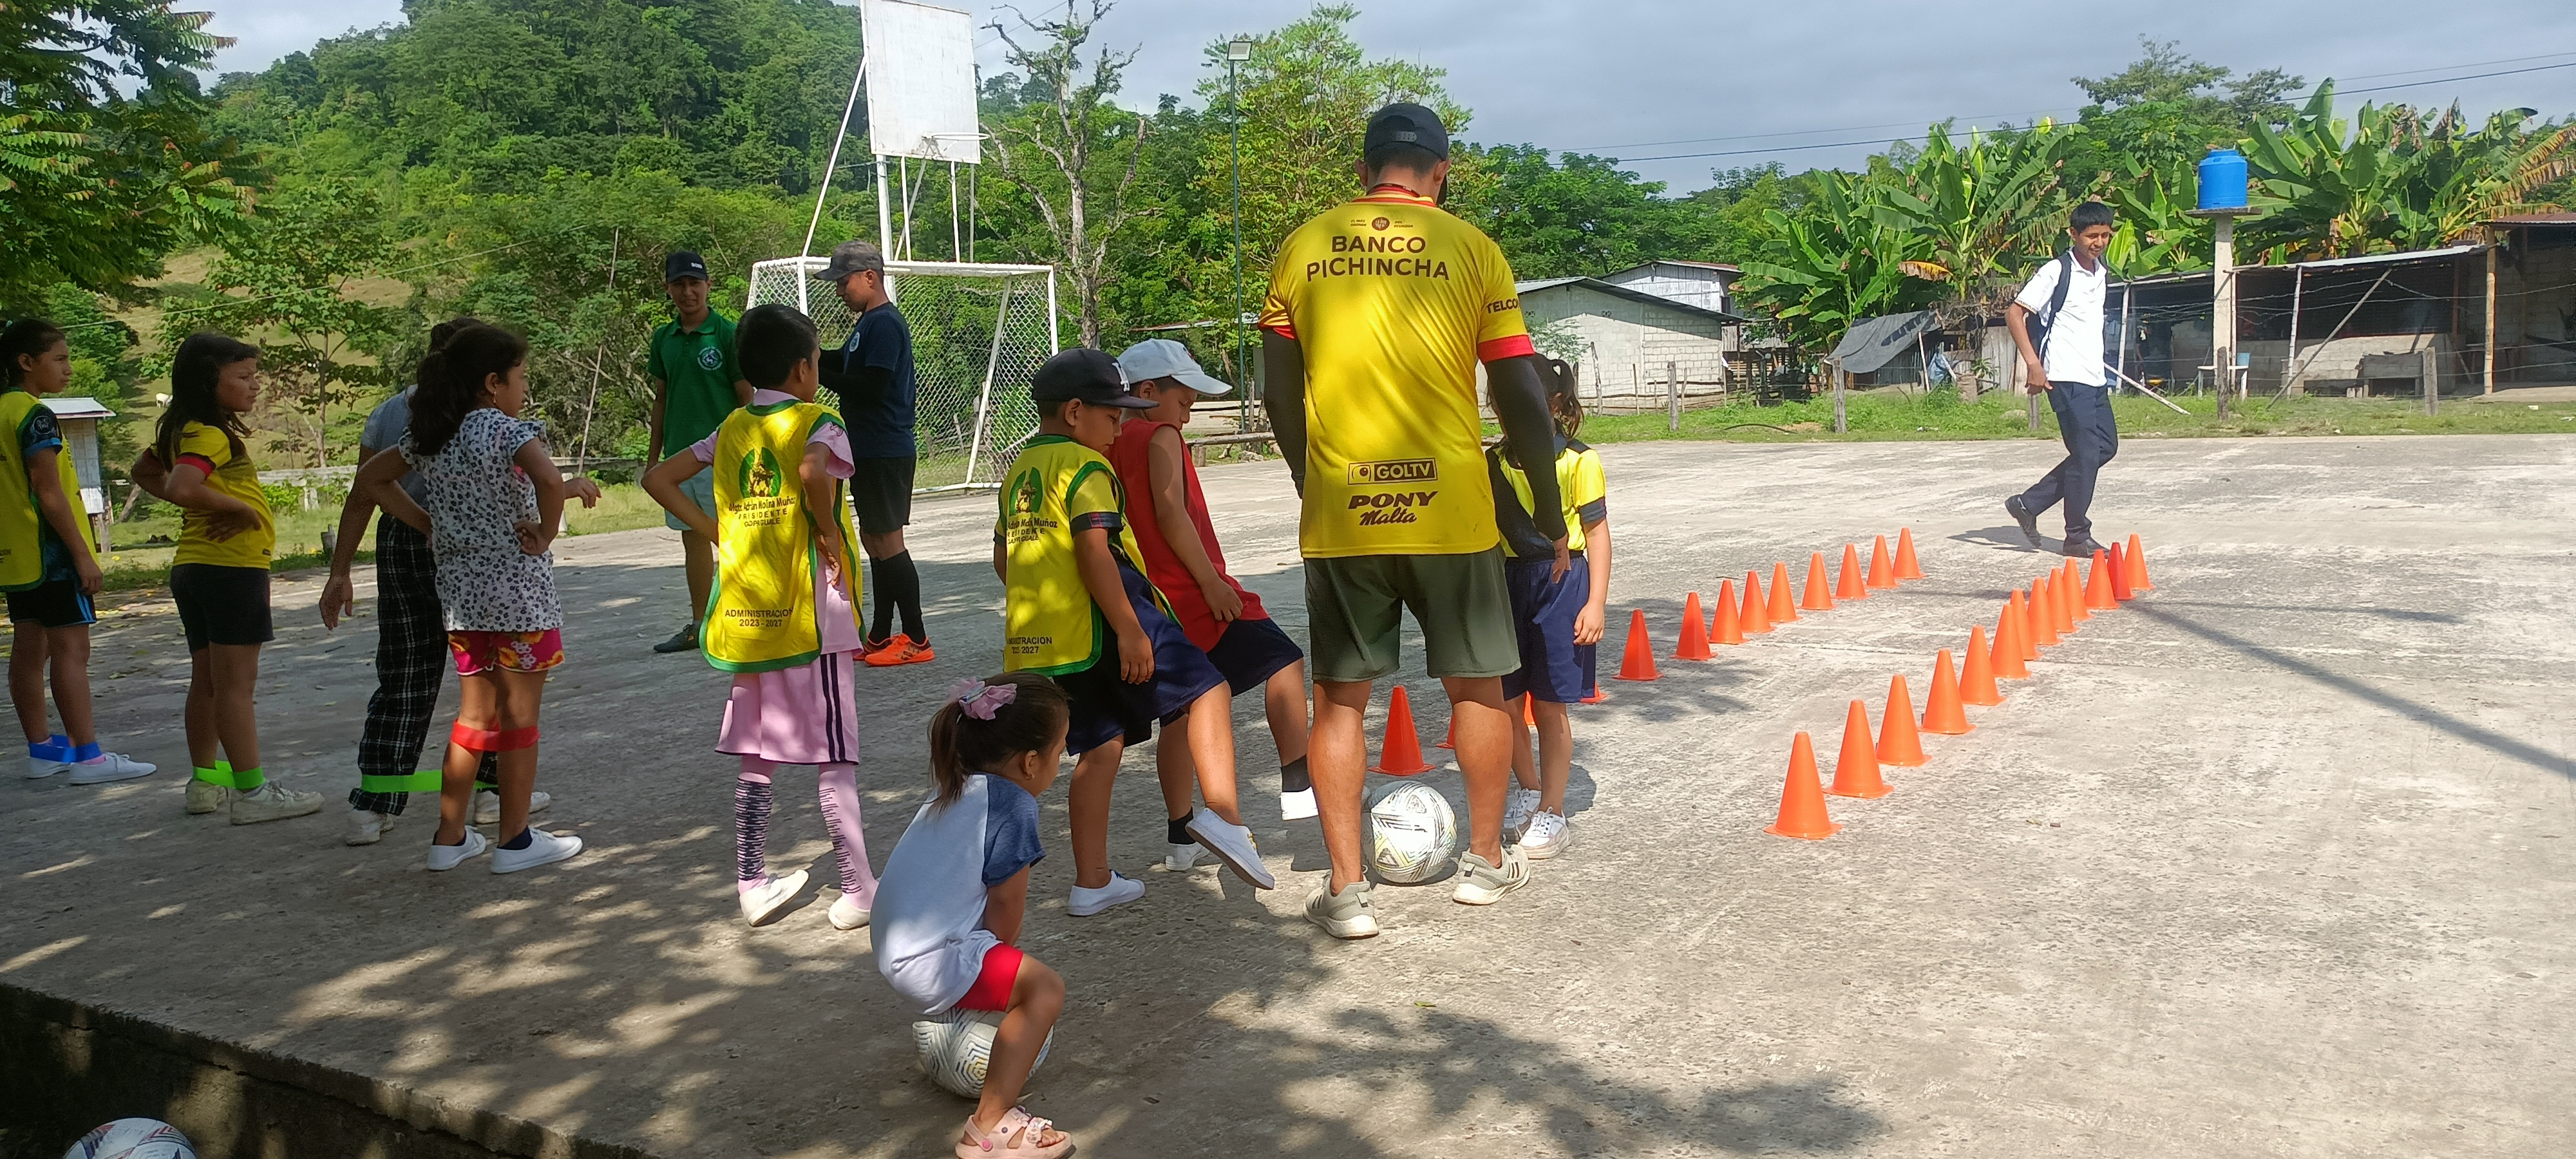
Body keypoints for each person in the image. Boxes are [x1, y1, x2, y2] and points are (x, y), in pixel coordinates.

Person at [1260, 102, 1570, 938]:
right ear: (1441, 173)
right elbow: (1520, 391)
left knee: (1340, 703)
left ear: (1364, 173)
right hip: (1453, 514)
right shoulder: (1473, 249)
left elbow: (1278, 396)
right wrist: (1547, 511)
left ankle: (1346, 892)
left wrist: (1312, 482)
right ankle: (1484, 864)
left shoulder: (1304, 246)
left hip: (1344, 513)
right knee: (1478, 688)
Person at [992, 348, 1275, 916]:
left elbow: (1005, 558)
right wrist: (1129, 628)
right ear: (1075, 412)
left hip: (1044, 636)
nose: (1119, 429)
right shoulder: (1087, 468)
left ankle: (1092, 882)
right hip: (1106, 618)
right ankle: (1223, 815)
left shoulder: (1020, 471)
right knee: (1209, 688)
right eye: (1112, 416)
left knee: (1101, 747)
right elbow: (1095, 551)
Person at [643, 303, 881, 929]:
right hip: (812, 613)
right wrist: (825, 529)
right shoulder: (819, 420)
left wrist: (715, 531)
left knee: (758, 754)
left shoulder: (731, 429)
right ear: (804, 369)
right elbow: (812, 470)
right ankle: (857, 889)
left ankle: (751, 882)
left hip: (750, 616)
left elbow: (659, 478)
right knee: (835, 755)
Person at [322, 319, 597, 845]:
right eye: (521, 377)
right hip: (517, 595)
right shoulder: (509, 430)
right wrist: (545, 531)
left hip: (459, 592)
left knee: (458, 707)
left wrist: (426, 523)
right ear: (491, 381)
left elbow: (369, 481)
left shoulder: (426, 431)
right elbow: (544, 479)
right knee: (518, 718)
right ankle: (513, 834)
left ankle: (442, 834)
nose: (525, 387)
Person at [1106, 339, 1316, 864]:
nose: (1188, 412)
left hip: (1151, 598)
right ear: (1147, 392)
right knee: (1284, 659)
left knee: (1180, 714)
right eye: (1183, 399)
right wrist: (1211, 582)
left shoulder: (1108, 441)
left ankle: (1181, 837)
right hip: (1194, 589)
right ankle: (1299, 784)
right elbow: (1171, 513)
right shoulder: (1161, 436)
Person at [871, 673, 1075, 1159]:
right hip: (929, 959)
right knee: (1043, 990)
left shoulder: (959, 786)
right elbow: (1005, 910)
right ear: (1030, 762)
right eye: (1061, 749)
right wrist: (1004, 978)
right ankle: (988, 1130)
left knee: (1015, 977)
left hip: (896, 946)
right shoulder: (1014, 806)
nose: (1064, 757)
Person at [130, 333, 321, 823]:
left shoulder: (181, 431)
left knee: (208, 682)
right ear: (208, 382)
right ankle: (252, 793)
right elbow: (181, 485)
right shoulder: (211, 435)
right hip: (231, 569)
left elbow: (144, 472)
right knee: (236, 687)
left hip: (193, 568)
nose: (255, 385)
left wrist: (205, 504)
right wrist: (238, 508)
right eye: (243, 376)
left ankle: (205, 782)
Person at [1, 319, 153, 784]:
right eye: (60, 359)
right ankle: (88, 758)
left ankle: (43, 750)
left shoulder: (2, 410)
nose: (68, 368)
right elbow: (49, 493)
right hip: (51, 553)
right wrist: (83, 555)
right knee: (72, 650)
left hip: (16, 556)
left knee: (29, 648)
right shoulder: (35, 415)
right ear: (27, 362)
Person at [1490, 356, 1609, 860]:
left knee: (1550, 704)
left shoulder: (1579, 461)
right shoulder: (1492, 462)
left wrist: (1596, 603)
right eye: (1500, 405)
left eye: (1522, 405)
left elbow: (1598, 535)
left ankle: (1553, 810)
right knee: (1505, 701)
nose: (1508, 415)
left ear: (1555, 404)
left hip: (1562, 582)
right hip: (1507, 583)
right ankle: (1528, 788)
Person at [813, 240, 935, 667]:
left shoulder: (884, 323)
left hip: (885, 447)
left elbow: (872, 386)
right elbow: (847, 365)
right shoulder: (868, 322)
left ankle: (917, 637)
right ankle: (881, 634)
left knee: (888, 541)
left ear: (870, 277)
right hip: (868, 447)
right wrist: (810, 356)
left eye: (843, 281)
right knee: (873, 540)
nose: (839, 291)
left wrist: (814, 371)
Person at [645, 250, 752, 655]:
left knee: (734, 539)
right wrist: (654, 459)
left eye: (695, 283)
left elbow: (746, 397)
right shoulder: (664, 338)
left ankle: (748, 619)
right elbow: (661, 399)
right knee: (693, 541)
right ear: (668, 289)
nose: (688, 292)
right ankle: (701, 625)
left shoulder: (726, 334)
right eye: (679, 285)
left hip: (720, 457)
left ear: (708, 285)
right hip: (679, 460)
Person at [2003, 200, 2120, 558]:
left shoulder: (2101, 272)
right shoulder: (2056, 271)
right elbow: (2015, 313)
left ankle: (2029, 503)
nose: (2098, 242)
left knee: (2104, 448)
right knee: (2085, 453)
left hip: (2094, 377)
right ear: (2073, 234)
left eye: (2105, 235)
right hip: (2064, 376)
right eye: (2091, 236)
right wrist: (2033, 365)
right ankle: (2076, 536)